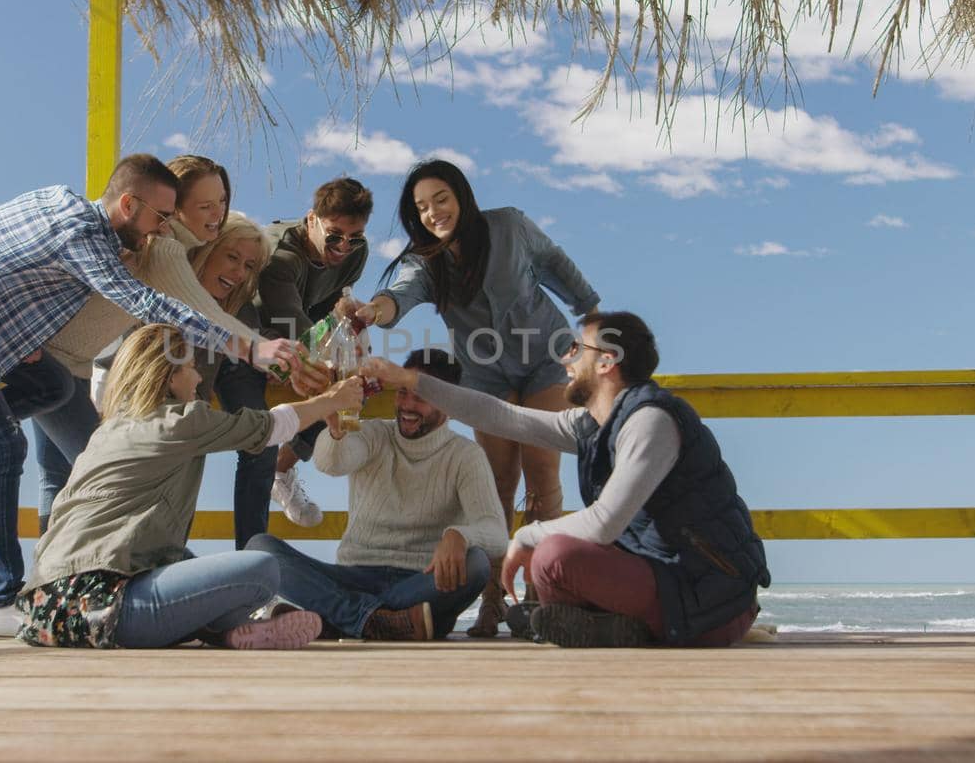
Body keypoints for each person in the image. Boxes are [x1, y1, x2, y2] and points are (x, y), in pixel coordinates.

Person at [0, 154, 298, 635]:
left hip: (11, 340)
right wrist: (245, 345)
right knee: (6, 447)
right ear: (128, 203)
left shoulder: (77, 212)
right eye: (164, 215)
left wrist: (20, 335)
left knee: (53, 393)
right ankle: (5, 601)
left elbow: (1, 266)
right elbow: (145, 300)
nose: (164, 227)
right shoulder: (88, 237)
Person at [360, 311, 770, 648]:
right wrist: (411, 380)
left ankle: (615, 629)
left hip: (711, 594)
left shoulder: (651, 422)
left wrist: (526, 535)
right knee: (549, 565)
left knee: (554, 556)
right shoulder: (593, 423)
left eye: (576, 349)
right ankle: (607, 628)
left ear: (607, 361)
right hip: (665, 578)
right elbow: (502, 417)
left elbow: (605, 522)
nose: (566, 361)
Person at [354, 159, 600, 636]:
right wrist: (373, 310)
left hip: (547, 357)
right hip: (485, 374)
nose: (433, 213)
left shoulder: (508, 225)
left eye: (440, 199)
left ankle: (541, 599)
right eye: (422, 207)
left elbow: (554, 263)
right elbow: (398, 297)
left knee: (543, 473)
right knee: (497, 483)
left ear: (461, 196)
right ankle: (493, 602)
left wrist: (590, 313)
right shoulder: (424, 262)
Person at [18, 323, 362, 650]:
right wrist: (332, 399)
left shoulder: (108, 430)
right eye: (191, 368)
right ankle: (227, 626)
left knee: (187, 563)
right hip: (100, 609)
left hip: (45, 606)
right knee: (262, 569)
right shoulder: (179, 421)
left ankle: (231, 633)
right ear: (168, 377)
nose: (200, 377)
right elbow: (268, 427)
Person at [246, 348, 508, 640]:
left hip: (419, 583)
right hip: (355, 577)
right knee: (258, 548)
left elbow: (496, 534)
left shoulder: (465, 455)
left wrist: (460, 535)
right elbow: (331, 463)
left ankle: (336, 617)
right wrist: (336, 429)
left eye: (419, 398)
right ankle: (374, 620)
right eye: (402, 393)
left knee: (477, 564)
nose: (407, 405)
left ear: (448, 404)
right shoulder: (375, 434)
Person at [253, 177, 374, 530]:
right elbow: (297, 332)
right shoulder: (280, 257)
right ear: (311, 220)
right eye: (334, 235)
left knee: (350, 378)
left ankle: (282, 466)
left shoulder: (355, 254)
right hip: (252, 329)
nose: (343, 246)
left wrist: (347, 333)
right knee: (329, 375)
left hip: (297, 328)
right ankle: (272, 472)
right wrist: (334, 350)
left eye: (355, 237)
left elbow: (324, 316)